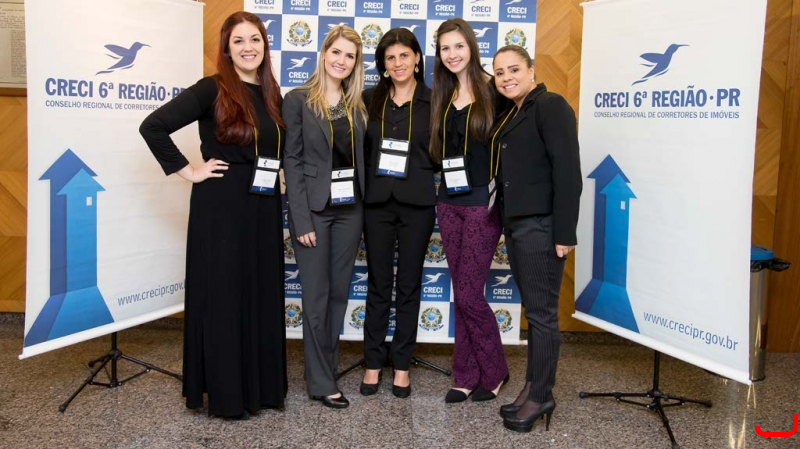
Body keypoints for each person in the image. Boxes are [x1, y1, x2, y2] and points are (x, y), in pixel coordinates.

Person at [139, 11, 287, 419]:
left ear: (265, 45)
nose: (248, 48)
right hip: (222, 205)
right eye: (238, 40)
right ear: (226, 48)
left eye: (255, 39)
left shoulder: (273, 93)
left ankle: (260, 389)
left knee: (259, 290)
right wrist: (189, 170)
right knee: (224, 295)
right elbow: (153, 126)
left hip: (263, 205)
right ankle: (227, 394)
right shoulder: (213, 88)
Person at [490, 45, 582, 432]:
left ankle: (542, 395)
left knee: (542, 316)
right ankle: (532, 387)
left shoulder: (550, 106)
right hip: (518, 224)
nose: (506, 77)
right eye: (499, 72)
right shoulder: (514, 111)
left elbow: (568, 172)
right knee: (535, 310)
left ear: (531, 70)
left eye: (514, 69)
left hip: (541, 226)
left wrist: (564, 232)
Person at [282, 25, 367, 409]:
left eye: (350, 55)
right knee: (315, 297)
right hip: (314, 211)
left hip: (351, 211)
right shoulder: (298, 99)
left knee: (337, 295)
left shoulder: (356, 103)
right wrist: (299, 220)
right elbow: (292, 161)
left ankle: (326, 370)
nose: (341, 61)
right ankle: (320, 382)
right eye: (336, 52)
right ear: (323, 53)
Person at [428, 18, 509, 404]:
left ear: (472, 47)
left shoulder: (494, 90)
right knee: (461, 292)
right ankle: (464, 375)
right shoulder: (441, 94)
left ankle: (494, 370)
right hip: (448, 202)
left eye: (458, 46)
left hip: (481, 204)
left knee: (468, 292)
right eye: (445, 48)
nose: (452, 54)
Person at [359, 29, 435, 399]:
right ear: (383, 65)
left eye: (404, 55)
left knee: (408, 285)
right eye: (390, 58)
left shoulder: (435, 101)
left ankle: (402, 365)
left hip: (417, 203)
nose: (398, 63)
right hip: (376, 203)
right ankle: (373, 363)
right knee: (378, 284)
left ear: (417, 58)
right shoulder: (368, 100)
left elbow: (444, 152)